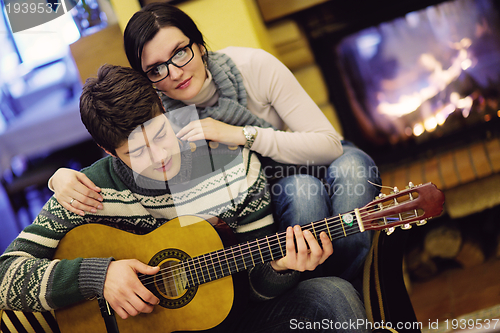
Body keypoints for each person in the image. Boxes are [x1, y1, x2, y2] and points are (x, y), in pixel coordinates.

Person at [0, 65, 369, 332]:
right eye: (137, 151)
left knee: (333, 296)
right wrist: (100, 275)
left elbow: (254, 290)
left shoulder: (232, 163)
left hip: (239, 318)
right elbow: (4, 276)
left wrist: (280, 269)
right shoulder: (86, 193)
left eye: (161, 135)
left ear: (164, 110)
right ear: (108, 152)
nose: (159, 156)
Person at [48, 3, 381, 290]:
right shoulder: (158, 118)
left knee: (355, 167)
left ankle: (360, 288)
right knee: (301, 191)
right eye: (155, 69)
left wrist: (242, 135)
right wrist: (59, 177)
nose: (175, 72)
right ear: (145, 79)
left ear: (200, 45)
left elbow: (328, 146)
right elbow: (120, 155)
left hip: (306, 153)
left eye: (180, 52)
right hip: (274, 185)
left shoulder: (252, 67)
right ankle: (327, 294)